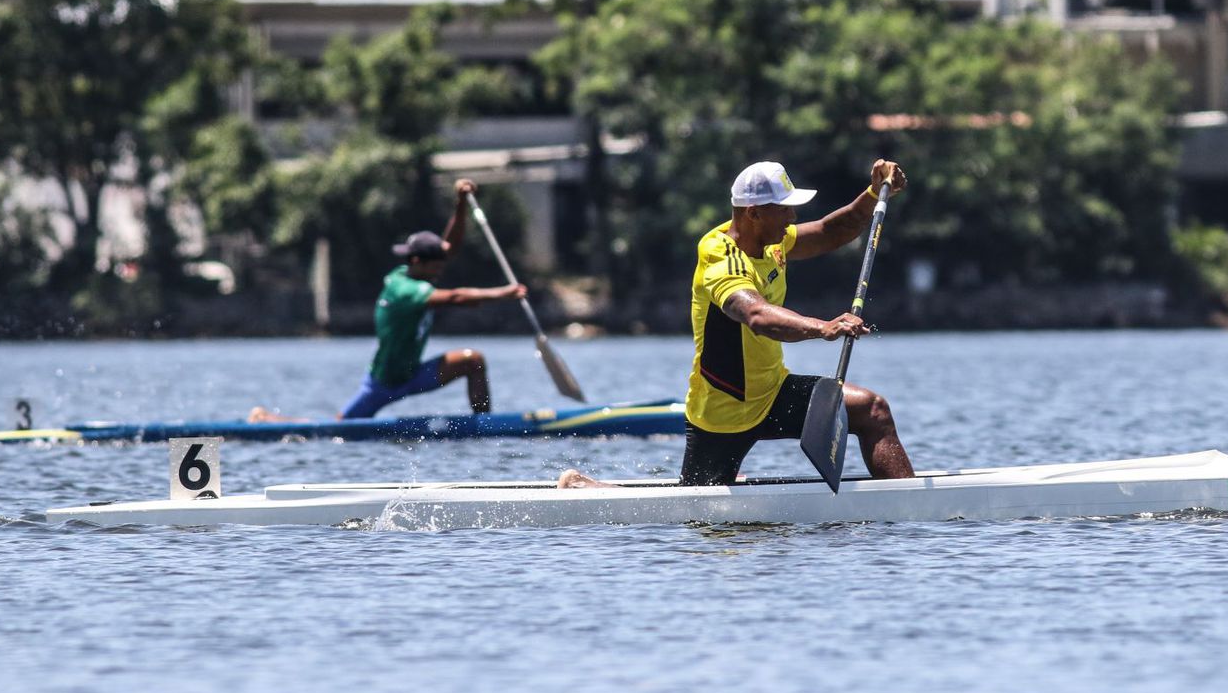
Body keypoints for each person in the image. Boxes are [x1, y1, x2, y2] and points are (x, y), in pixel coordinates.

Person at [560, 159, 915, 488]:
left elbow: (829, 231)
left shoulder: (772, 243)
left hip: (774, 392)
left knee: (872, 410)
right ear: (754, 213)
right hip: (723, 412)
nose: (791, 216)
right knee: (694, 507)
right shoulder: (720, 257)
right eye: (784, 209)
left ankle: (908, 503)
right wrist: (822, 328)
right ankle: (585, 488)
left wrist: (872, 194)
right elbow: (757, 316)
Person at [339, 179, 528, 419]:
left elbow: (450, 247)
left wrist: (461, 204)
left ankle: (485, 424)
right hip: (385, 381)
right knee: (343, 424)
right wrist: (503, 293)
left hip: (414, 373)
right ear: (418, 261)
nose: (442, 268)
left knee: (473, 361)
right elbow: (455, 296)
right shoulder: (402, 288)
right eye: (437, 265)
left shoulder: (415, 272)